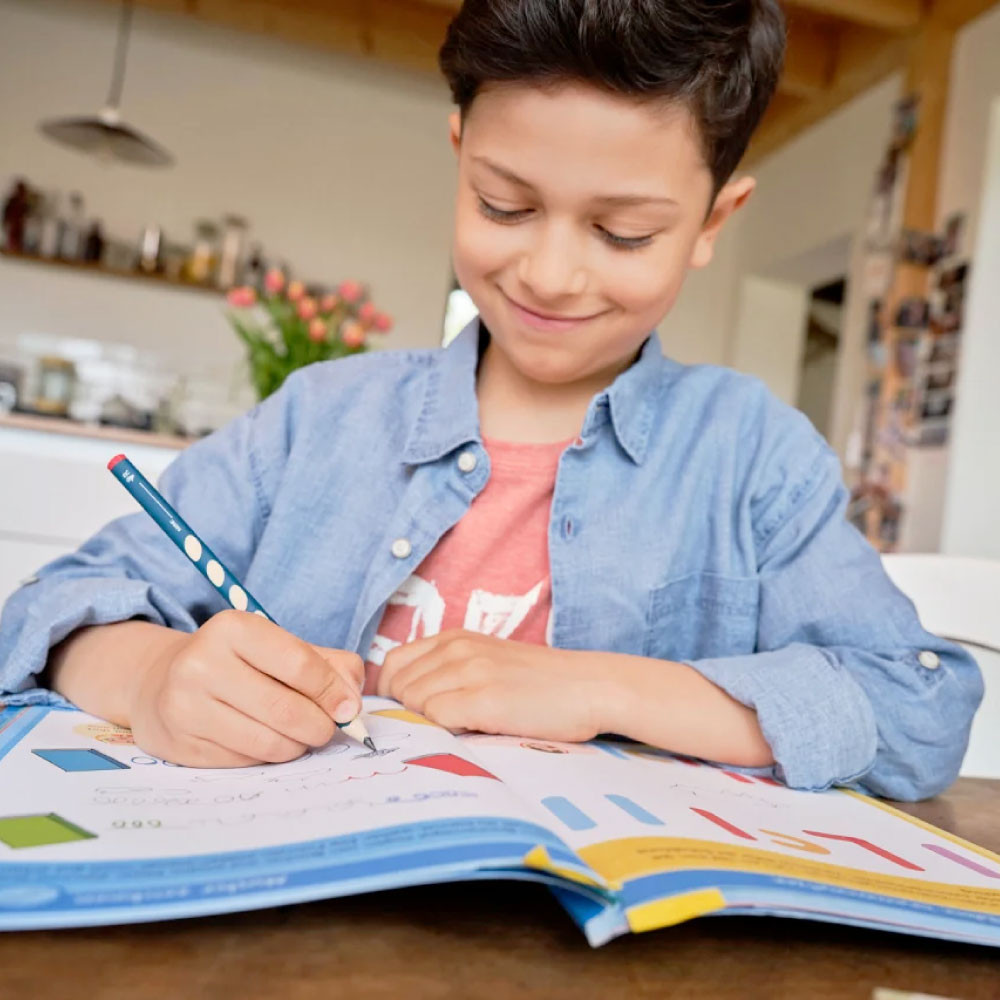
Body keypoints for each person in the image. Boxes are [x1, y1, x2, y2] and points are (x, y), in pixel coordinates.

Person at [0, 0, 982, 801]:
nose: (550, 274)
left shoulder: (752, 457)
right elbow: (48, 610)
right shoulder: (319, 421)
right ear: (460, 146)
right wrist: (153, 679)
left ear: (713, 221)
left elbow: (920, 708)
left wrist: (605, 688)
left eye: (624, 233)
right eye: (504, 205)